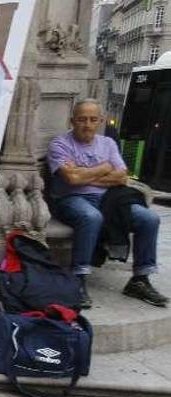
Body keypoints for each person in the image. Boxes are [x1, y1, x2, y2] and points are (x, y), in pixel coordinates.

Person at [48, 99, 167, 308]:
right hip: (71, 199)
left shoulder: (108, 143)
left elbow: (121, 177)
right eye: (82, 119)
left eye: (93, 119)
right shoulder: (60, 144)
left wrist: (84, 173)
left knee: (150, 218)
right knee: (92, 217)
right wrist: (103, 168)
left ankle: (140, 279)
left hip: (109, 198)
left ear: (100, 121)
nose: (87, 124)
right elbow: (72, 180)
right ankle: (78, 278)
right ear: (72, 121)